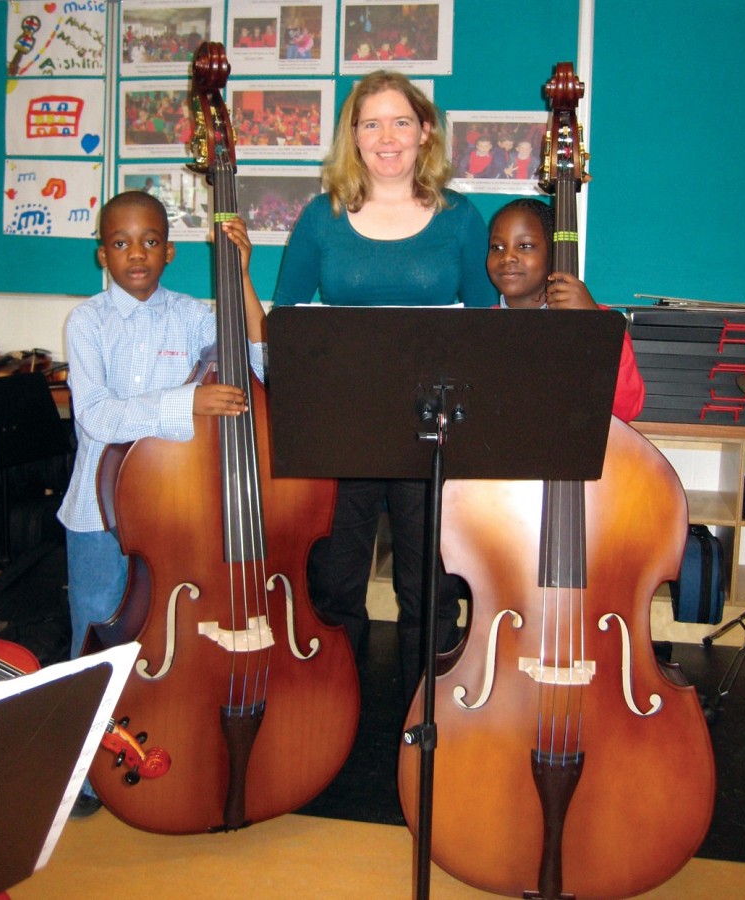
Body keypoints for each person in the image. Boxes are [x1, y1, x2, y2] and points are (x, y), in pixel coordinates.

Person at [271, 70, 497, 703]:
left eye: (401, 121)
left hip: (431, 432)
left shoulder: (460, 218)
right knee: (336, 583)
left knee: (430, 588)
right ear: (354, 136)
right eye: (371, 124)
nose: (386, 137)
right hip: (343, 431)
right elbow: (285, 319)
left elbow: (485, 327)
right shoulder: (322, 217)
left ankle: (425, 719)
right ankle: (333, 711)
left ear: (426, 132)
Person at [58, 190, 265, 814]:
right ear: (102, 253)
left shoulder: (195, 316)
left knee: (160, 648)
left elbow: (256, 363)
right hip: (99, 516)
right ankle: (85, 776)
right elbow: (97, 418)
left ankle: (159, 746)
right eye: (120, 243)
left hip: (173, 514)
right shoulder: (87, 321)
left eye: (150, 241)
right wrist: (186, 404)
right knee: (96, 640)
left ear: (171, 251)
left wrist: (243, 279)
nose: (136, 254)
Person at [486, 197, 644, 421]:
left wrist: (594, 325)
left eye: (525, 246)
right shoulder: (477, 328)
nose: (507, 257)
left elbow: (627, 408)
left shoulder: (600, 322)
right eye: (497, 247)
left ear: (553, 254)